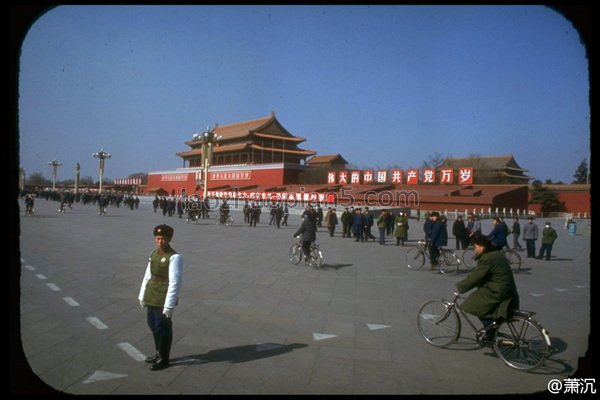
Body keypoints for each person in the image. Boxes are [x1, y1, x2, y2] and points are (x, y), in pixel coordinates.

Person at [455, 235, 520, 341]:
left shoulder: (487, 258)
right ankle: (492, 328)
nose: (475, 250)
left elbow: (476, 276)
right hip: (506, 288)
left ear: (482, 247)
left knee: (474, 304)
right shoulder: (496, 254)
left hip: (498, 289)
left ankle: (491, 329)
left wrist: (460, 287)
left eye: (476, 247)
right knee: (486, 306)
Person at [138, 224, 183, 371]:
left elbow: (175, 282)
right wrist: (142, 294)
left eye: (163, 238)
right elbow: (147, 275)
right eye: (157, 238)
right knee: (152, 324)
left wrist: (169, 305)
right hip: (151, 294)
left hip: (163, 297)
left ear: (169, 239)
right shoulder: (153, 253)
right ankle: (158, 353)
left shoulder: (174, 257)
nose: (160, 241)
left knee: (162, 327)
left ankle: (164, 358)